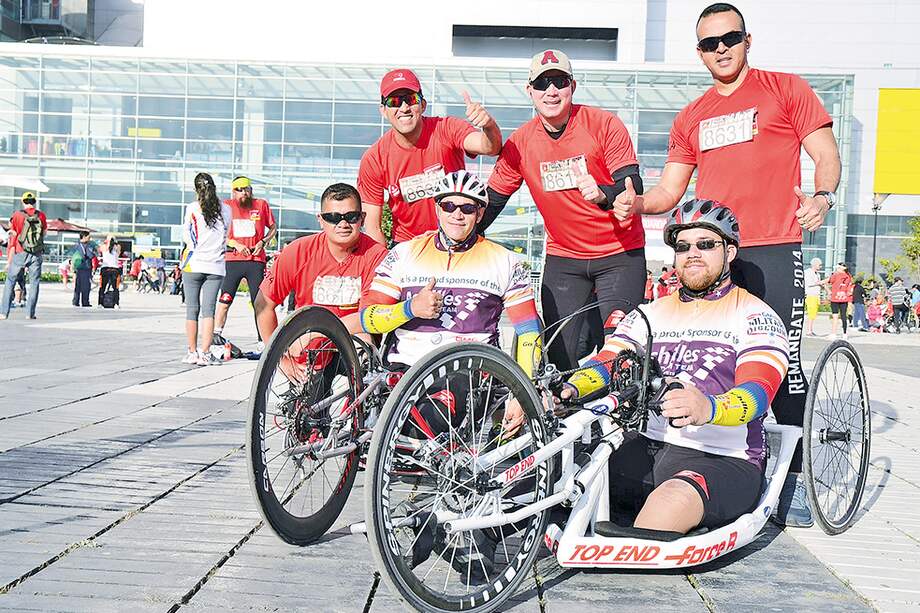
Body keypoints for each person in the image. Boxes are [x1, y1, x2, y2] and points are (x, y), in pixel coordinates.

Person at [610, 3, 841, 528]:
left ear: (747, 39)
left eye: (729, 38)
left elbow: (826, 153)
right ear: (698, 51)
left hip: (776, 245)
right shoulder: (691, 115)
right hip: (715, 250)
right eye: (708, 43)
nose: (720, 49)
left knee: (785, 368)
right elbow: (669, 190)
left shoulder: (786, 90)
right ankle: (712, 451)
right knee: (702, 358)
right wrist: (635, 204)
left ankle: (796, 480)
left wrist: (824, 196)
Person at [558, 200, 788, 535]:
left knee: (663, 510)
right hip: (647, 448)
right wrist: (570, 388)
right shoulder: (650, 313)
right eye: (683, 247)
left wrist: (709, 406)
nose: (692, 253)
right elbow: (608, 361)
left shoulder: (756, 316)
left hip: (722, 458)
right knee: (554, 475)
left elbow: (757, 394)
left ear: (730, 253)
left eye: (706, 244)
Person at [481, 49, 646, 372]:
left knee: (620, 352)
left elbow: (632, 184)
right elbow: (492, 202)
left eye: (559, 81)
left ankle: (618, 418)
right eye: (542, 84)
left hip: (619, 255)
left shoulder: (603, 124)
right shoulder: (520, 142)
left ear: (573, 86)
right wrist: (455, 234)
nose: (551, 91)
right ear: (529, 90)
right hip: (565, 260)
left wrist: (603, 194)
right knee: (559, 357)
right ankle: (566, 419)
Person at [361, 169, 542, 407]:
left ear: (479, 214)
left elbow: (529, 330)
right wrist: (409, 308)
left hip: (468, 368)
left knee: (434, 414)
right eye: (449, 206)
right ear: (437, 209)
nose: (457, 214)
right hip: (404, 367)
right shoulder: (404, 252)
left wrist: (523, 394)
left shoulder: (505, 260)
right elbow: (367, 319)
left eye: (467, 208)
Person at [357, 68, 502, 246]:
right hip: (408, 247)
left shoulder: (447, 128)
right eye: (394, 101)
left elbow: (489, 147)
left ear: (423, 105)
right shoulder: (374, 158)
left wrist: (488, 125)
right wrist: (386, 264)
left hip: (458, 242)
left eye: (410, 99)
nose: (404, 108)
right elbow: (373, 229)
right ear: (383, 110)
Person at [254, 183, 388, 346]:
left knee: (363, 340)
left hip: (355, 343)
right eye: (333, 217)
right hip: (308, 349)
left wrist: (320, 333)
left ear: (362, 218)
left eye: (351, 216)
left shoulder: (378, 256)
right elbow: (263, 304)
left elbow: (368, 317)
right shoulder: (297, 251)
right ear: (321, 220)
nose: (343, 224)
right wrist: (279, 360)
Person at [214, 176, 277, 349]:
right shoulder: (226, 206)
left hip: (256, 261)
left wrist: (262, 242)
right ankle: (216, 337)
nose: (244, 193)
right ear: (233, 192)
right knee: (225, 300)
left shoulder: (261, 205)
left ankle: (262, 341)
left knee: (259, 303)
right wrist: (235, 244)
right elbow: (218, 231)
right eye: (240, 190)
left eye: (247, 189)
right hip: (233, 260)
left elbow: (273, 228)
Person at [181, 172, 232, 366]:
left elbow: (188, 236)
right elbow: (226, 235)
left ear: (196, 189)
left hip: (194, 263)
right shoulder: (226, 210)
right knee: (209, 311)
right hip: (216, 265)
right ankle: (206, 352)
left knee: (192, 310)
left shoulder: (193, 208)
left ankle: (192, 352)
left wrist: (195, 248)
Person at [1, 192, 47, 321]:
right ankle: (30, 313)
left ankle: (4, 313)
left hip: (20, 251)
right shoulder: (41, 215)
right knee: (34, 283)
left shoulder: (17, 215)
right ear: (34, 202)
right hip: (36, 253)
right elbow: (43, 233)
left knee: (10, 281)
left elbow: (13, 231)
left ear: (23, 202)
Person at [70, 231, 98, 308]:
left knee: (78, 286)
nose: (89, 239)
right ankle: (85, 302)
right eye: (88, 237)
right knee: (86, 286)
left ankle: (75, 301)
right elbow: (90, 255)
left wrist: (72, 268)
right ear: (84, 237)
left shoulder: (76, 245)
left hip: (78, 267)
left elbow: (72, 257)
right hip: (86, 267)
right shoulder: (89, 246)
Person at [826, 263, 852, 338]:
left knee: (835, 316)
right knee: (843, 315)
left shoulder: (836, 275)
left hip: (835, 298)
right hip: (844, 298)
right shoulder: (848, 276)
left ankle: (834, 333)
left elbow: (830, 280)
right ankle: (845, 333)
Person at [98, 235, 122, 308]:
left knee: (102, 287)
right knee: (116, 288)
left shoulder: (104, 246)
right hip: (115, 269)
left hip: (105, 268)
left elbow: (99, 249)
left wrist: (106, 242)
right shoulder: (117, 247)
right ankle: (116, 303)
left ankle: (100, 303)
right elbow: (119, 252)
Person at [804, 258, 823, 336]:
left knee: (814, 313)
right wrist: (819, 283)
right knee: (811, 313)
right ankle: (809, 330)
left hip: (816, 295)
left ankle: (810, 329)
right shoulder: (808, 272)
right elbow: (809, 283)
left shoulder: (817, 274)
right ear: (814, 264)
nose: (820, 267)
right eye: (819, 265)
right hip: (811, 295)